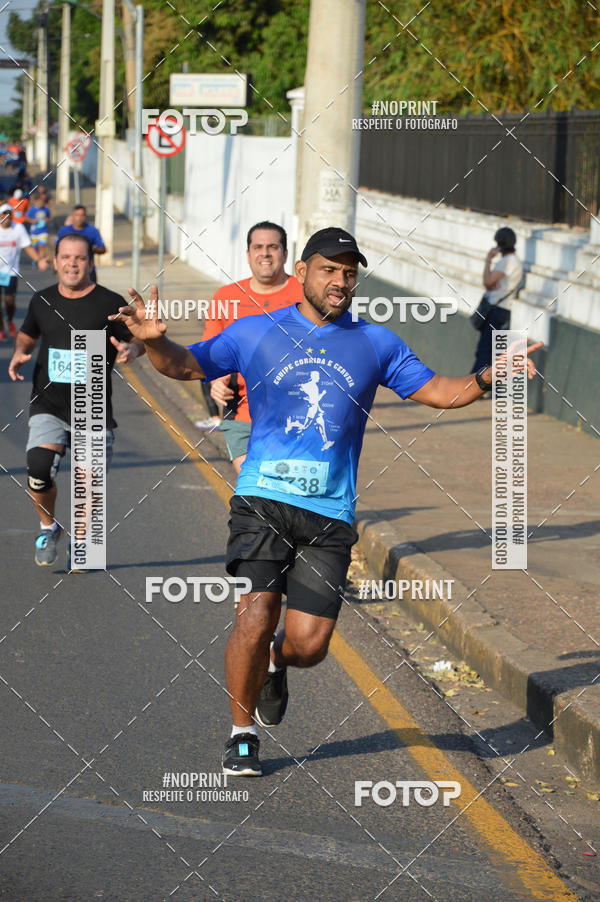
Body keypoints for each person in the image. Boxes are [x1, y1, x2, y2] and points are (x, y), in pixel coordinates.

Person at [112, 226, 541, 777]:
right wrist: (153, 341)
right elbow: (186, 365)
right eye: (329, 270)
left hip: (328, 510)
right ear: (303, 272)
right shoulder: (258, 331)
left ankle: (276, 660)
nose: (340, 281)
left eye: (349, 273)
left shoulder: (375, 343)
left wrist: (486, 376)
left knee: (310, 646)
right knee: (256, 614)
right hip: (263, 497)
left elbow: (439, 391)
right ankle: (241, 734)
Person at [8, 233, 145, 568]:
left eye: (80, 258)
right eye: (66, 257)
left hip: (92, 405)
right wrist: (21, 351)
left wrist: (132, 348)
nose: (72, 264)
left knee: (88, 486)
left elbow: (140, 338)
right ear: (55, 262)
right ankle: (48, 527)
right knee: (38, 469)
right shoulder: (42, 300)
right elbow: (28, 333)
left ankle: (81, 542)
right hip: (49, 404)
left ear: (90, 262)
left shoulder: (110, 303)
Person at [203, 221, 302, 473]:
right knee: (253, 486)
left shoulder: (306, 296)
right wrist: (216, 380)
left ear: (285, 254)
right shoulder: (226, 297)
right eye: (258, 247)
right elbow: (211, 354)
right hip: (242, 414)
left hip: (297, 418)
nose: (265, 253)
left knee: (285, 490)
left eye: (273, 247)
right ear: (248, 254)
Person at [471, 227, 523, 374]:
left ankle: (474, 383)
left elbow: (487, 281)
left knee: (484, 352)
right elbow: (491, 283)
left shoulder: (507, 261)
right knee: (492, 353)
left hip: (497, 310)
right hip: (503, 309)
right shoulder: (515, 261)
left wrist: (488, 259)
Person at [0, 203, 48, 340]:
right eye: (4, 214)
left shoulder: (18, 228)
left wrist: (39, 260)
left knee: (9, 301)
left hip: (10, 271)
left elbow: (28, 247)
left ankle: (9, 320)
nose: (7, 217)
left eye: (10, 214)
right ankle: (1, 329)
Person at [57, 205, 106, 282]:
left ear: (85, 216)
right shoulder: (64, 231)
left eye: (82, 215)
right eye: (77, 215)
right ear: (72, 216)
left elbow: (102, 249)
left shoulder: (92, 230)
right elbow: (56, 248)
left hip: (88, 272)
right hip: (69, 271)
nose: (79, 218)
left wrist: (88, 249)